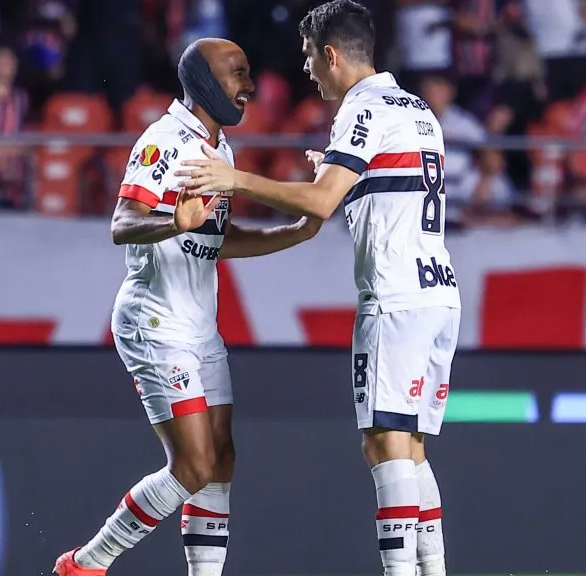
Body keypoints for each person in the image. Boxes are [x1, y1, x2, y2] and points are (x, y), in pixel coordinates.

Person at [176, 2, 460, 576]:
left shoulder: (363, 107)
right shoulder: (416, 107)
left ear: (330, 54)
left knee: (384, 444)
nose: (306, 68)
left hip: (396, 298)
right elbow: (386, 188)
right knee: (412, 447)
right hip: (438, 293)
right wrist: (338, 173)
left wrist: (235, 178)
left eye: (308, 56)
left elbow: (322, 202)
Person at [53, 38, 323, 576]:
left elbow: (217, 239)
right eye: (238, 74)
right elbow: (123, 223)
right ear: (202, 81)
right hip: (155, 322)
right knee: (194, 465)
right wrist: (173, 222)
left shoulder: (221, 150)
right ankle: (85, 564)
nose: (250, 86)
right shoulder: (164, 140)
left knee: (221, 460)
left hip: (200, 327)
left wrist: (297, 230)